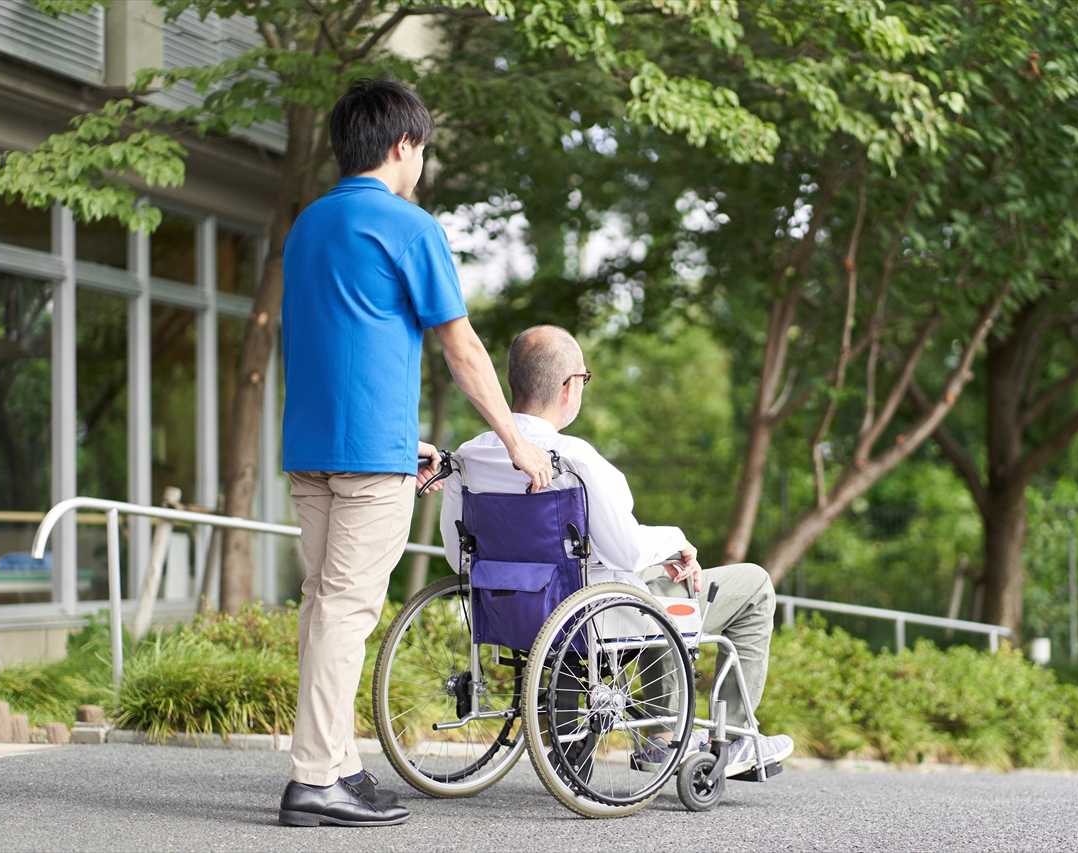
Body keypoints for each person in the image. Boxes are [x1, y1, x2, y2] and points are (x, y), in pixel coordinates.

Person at [277, 78, 553, 828]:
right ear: (405, 145)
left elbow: (330, 342)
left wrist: (404, 442)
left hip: (312, 447)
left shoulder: (307, 225)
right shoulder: (408, 226)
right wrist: (515, 438)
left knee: (322, 607)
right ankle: (312, 780)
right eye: (422, 149)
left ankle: (336, 762)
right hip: (366, 458)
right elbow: (461, 347)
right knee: (346, 608)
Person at [440, 325, 794, 777]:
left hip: (512, 612)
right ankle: (735, 735)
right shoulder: (575, 459)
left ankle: (660, 737)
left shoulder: (470, 456)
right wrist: (677, 540)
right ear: (570, 387)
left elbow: (460, 556)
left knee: (647, 581)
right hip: (593, 617)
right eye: (584, 379)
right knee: (752, 584)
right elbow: (626, 552)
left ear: (512, 381)